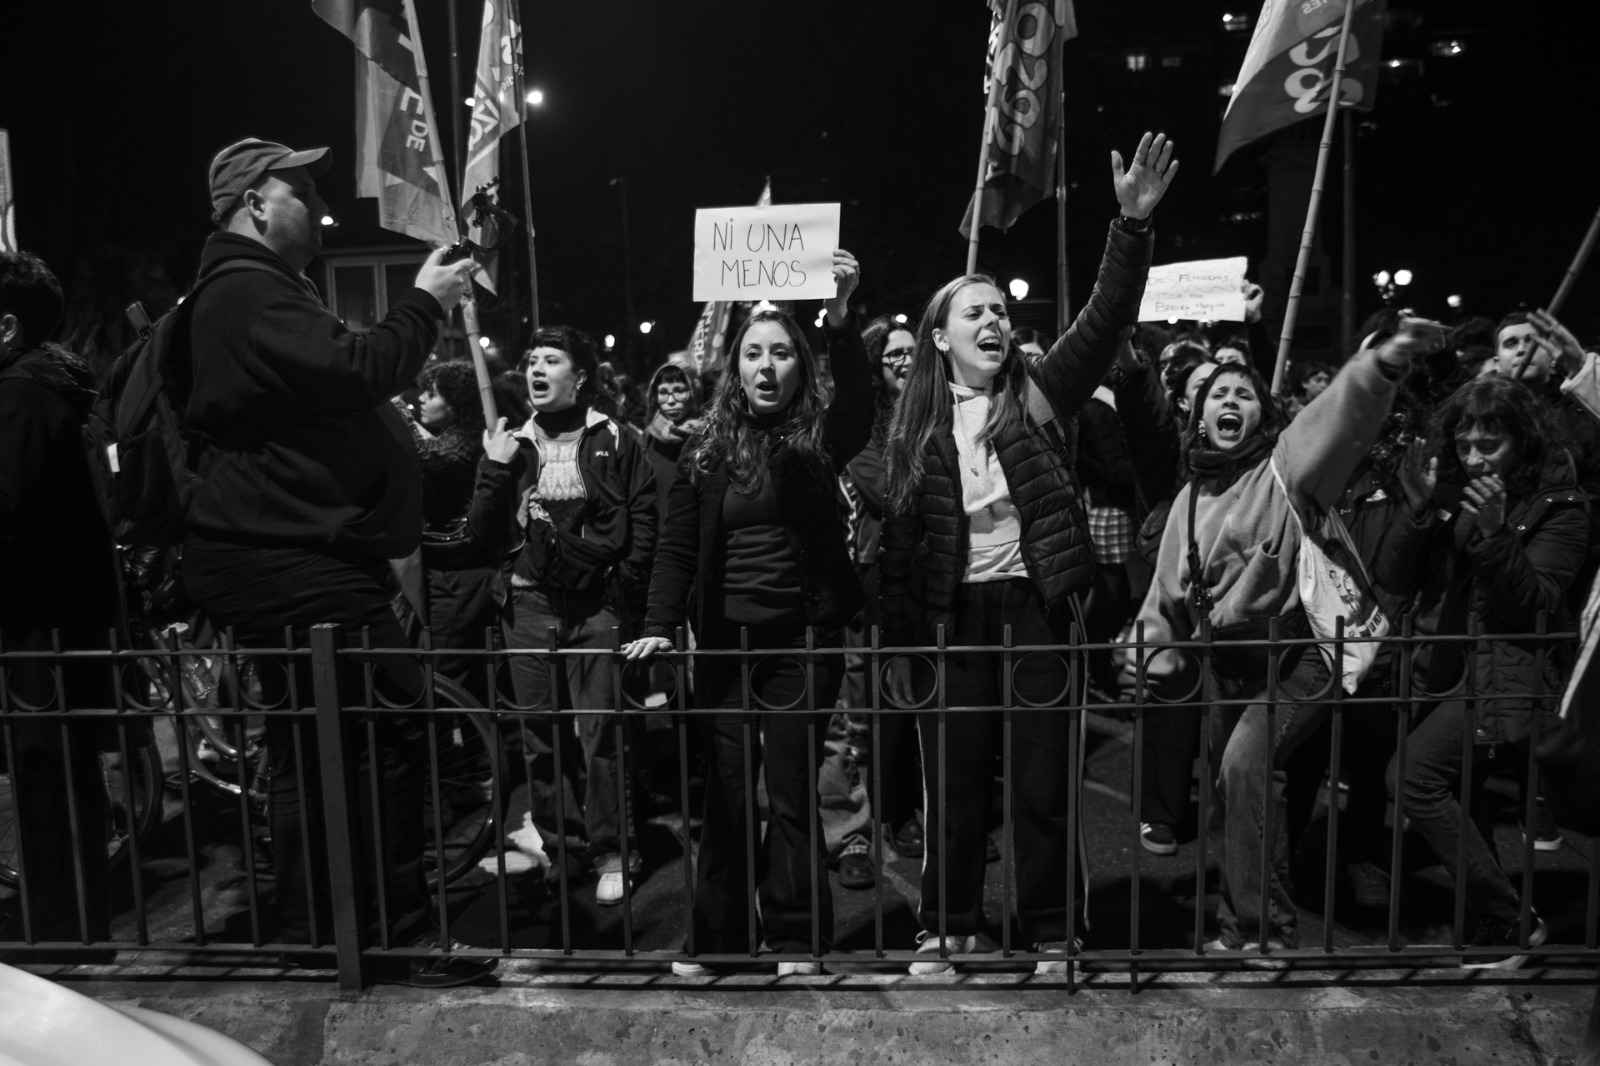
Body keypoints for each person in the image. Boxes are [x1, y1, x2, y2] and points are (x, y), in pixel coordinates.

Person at [176, 138, 493, 986]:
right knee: (385, 729)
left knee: (314, 743)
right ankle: (394, 934)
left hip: (283, 550)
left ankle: (322, 929)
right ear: (254, 203)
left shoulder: (253, 287)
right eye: (301, 190)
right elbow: (358, 368)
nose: (318, 207)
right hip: (286, 557)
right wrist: (423, 303)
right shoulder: (247, 289)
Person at [880, 131, 1178, 975]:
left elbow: (1104, 319)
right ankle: (949, 926)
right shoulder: (915, 428)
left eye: (999, 312)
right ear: (939, 337)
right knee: (955, 782)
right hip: (953, 619)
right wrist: (900, 642)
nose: (993, 321)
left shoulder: (1040, 398)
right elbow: (899, 548)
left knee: (1044, 785)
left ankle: (1053, 932)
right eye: (973, 312)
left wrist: (1131, 226)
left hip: (1037, 609)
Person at [1133, 324, 1431, 964]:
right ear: (1198, 416)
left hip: (1298, 657)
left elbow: (1335, 417)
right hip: (1227, 664)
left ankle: (1266, 931)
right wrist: (1147, 652)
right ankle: (1238, 928)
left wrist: (1378, 365)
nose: (1230, 401)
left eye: (1243, 393)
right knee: (1234, 791)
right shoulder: (1188, 497)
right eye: (1217, 395)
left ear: (1262, 415)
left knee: (1244, 768)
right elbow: (1163, 598)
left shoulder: (1283, 469)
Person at [623, 251, 867, 976]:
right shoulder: (704, 450)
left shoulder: (818, 438)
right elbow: (675, 548)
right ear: (735, 368)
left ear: (800, 366)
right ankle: (719, 938)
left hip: (800, 643)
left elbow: (859, 405)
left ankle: (796, 938)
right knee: (727, 797)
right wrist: (658, 625)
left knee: (790, 795)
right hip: (725, 649)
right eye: (753, 353)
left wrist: (841, 317)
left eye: (781, 352)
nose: (766, 366)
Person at [1378, 376, 1586, 968]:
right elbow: (1393, 576)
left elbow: (1535, 605)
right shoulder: (1452, 492)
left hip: (1500, 672)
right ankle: (1492, 922)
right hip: (1438, 665)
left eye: (1489, 444)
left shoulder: (1560, 507)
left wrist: (1495, 533)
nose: (1474, 457)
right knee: (1462, 797)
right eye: (1464, 443)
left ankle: (1510, 917)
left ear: (1523, 440)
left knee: (1412, 779)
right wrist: (1418, 507)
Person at [471, 325, 657, 906]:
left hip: (595, 607)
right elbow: (482, 533)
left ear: (580, 377)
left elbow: (643, 519)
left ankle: (614, 849)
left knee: (602, 735)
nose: (536, 369)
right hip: (526, 608)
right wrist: (494, 468)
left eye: (551, 360)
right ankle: (563, 847)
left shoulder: (616, 438)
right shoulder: (511, 443)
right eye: (532, 359)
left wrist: (620, 587)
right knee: (541, 738)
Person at [0, 250, 117, 946]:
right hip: (55, 619)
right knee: (58, 775)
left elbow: (5, 504)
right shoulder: (48, 385)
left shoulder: (19, 394)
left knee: (47, 776)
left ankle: (59, 929)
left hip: (37, 623)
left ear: (7, 326)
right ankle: (67, 919)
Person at [408, 360, 496, 701]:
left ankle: (440, 734)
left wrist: (397, 410)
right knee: (469, 677)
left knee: (442, 674)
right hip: (448, 566)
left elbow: (428, 455)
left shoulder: (467, 438)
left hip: (459, 570)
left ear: (455, 402)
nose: (421, 399)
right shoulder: (456, 434)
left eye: (431, 394)